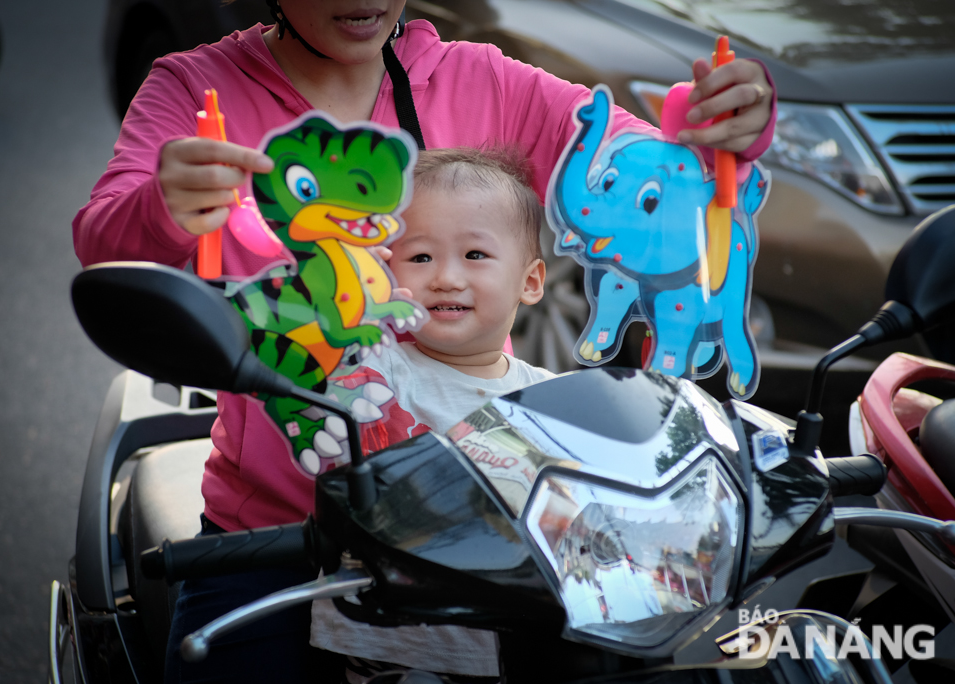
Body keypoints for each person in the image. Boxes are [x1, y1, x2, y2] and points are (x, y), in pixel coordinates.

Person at [72, 3, 777, 682]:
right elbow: (104, 240)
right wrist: (163, 205)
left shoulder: (484, 82)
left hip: (480, 548)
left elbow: (641, 168)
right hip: (276, 539)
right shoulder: (194, 86)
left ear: (533, 280)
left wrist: (724, 135)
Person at [309, 146, 552, 683]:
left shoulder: (550, 398)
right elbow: (331, 438)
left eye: (475, 256)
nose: (445, 277)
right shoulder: (382, 372)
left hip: (521, 645)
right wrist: (359, 333)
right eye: (420, 258)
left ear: (530, 281)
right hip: (396, 648)